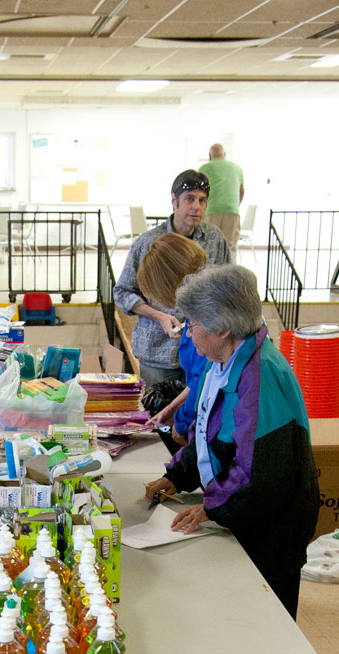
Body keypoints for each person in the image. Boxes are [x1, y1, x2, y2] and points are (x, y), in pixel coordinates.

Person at [145, 265, 318, 620]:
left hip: (270, 527)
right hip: (243, 511)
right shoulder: (224, 360)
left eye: (192, 324)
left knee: (266, 619)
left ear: (223, 327)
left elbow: (261, 472)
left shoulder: (261, 378)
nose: (188, 334)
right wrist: (178, 474)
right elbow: (209, 430)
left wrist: (213, 508)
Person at [114, 169, 231, 390]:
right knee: (160, 417)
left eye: (202, 200)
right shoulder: (147, 243)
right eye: (189, 199)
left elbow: (227, 289)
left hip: (204, 353)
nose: (197, 207)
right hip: (158, 353)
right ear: (174, 201)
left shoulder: (215, 239)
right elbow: (122, 292)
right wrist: (159, 316)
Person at [136, 232, 208, 448]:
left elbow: (203, 383)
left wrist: (181, 420)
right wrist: (171, 410)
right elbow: (196, 380)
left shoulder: (208, 325)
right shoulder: (200, 315)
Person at [199, 144, 245, 260]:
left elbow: (199, 191)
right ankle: (230, 276)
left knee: (209, 246)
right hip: (232, 211)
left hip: (210, 211)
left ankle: (210, 276)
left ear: (210, 156)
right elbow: (242, 190)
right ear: (224, 155)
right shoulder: (237, 168)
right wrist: (235, 205)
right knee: (230, 248)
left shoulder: (204, 168)